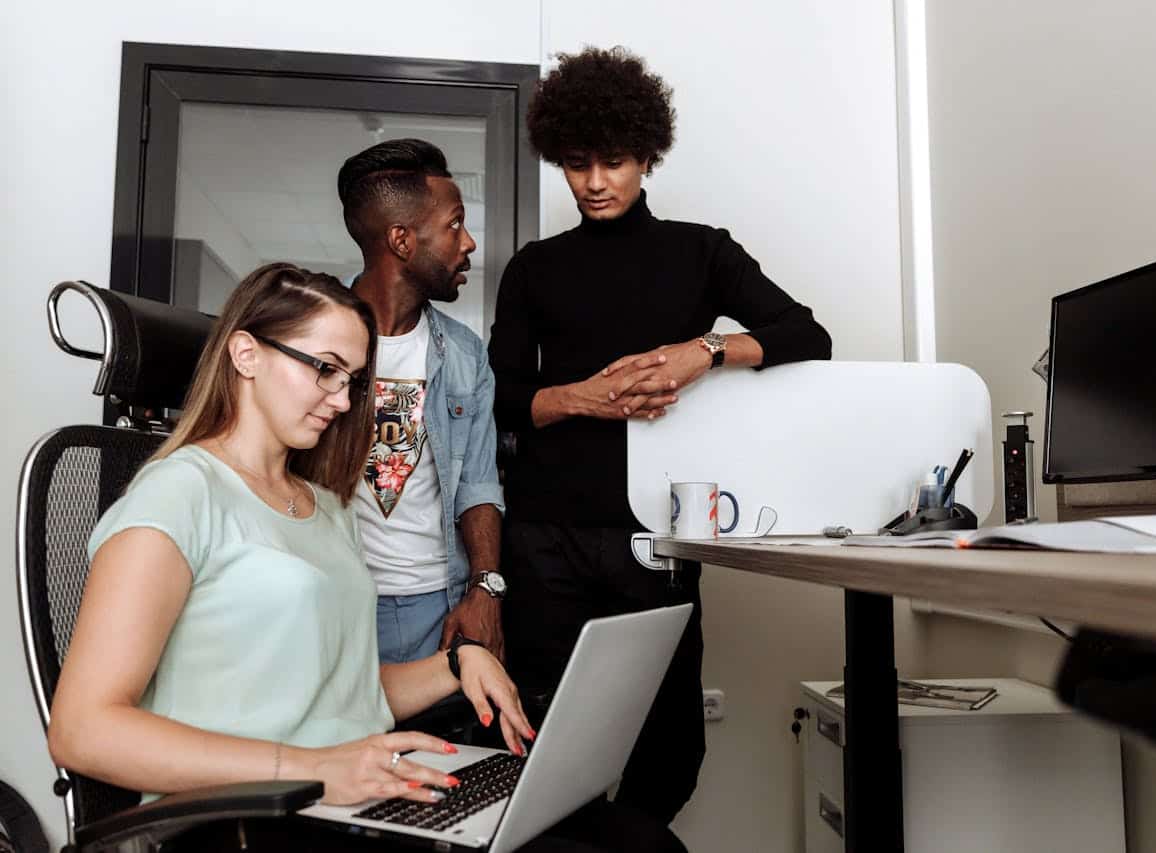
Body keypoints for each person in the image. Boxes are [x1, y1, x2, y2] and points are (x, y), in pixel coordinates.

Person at [46, 263, 683, 853]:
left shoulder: (327, 506)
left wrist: (458, 663)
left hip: (352, 793)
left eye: (352, 380)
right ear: (245, 354)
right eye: (324, 368)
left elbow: (338, 689)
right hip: (244, 817)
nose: (346, 401)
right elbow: (83, 728)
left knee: (640, 840)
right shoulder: (181, 492)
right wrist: (313, 768)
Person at [488, 46, 833, 824]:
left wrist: (705, 352)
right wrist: (579, 397)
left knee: (670, 751)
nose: (595, 182)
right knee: (541, 745)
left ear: (648, 155)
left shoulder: (701, 251)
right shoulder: (534, 269)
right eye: (577, 164)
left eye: (612, 160)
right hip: (544, 539)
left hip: (658, 536)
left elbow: (807, 335)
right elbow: (503, 402)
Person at [337, 139, 506, 665]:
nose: (469, 242)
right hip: (334, 600)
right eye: (455, 224)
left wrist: (486, 589)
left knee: (440, 748)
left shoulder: (462, 353)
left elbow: (478, 481)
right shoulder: (311, 341)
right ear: (402, 240)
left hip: (439, 605)